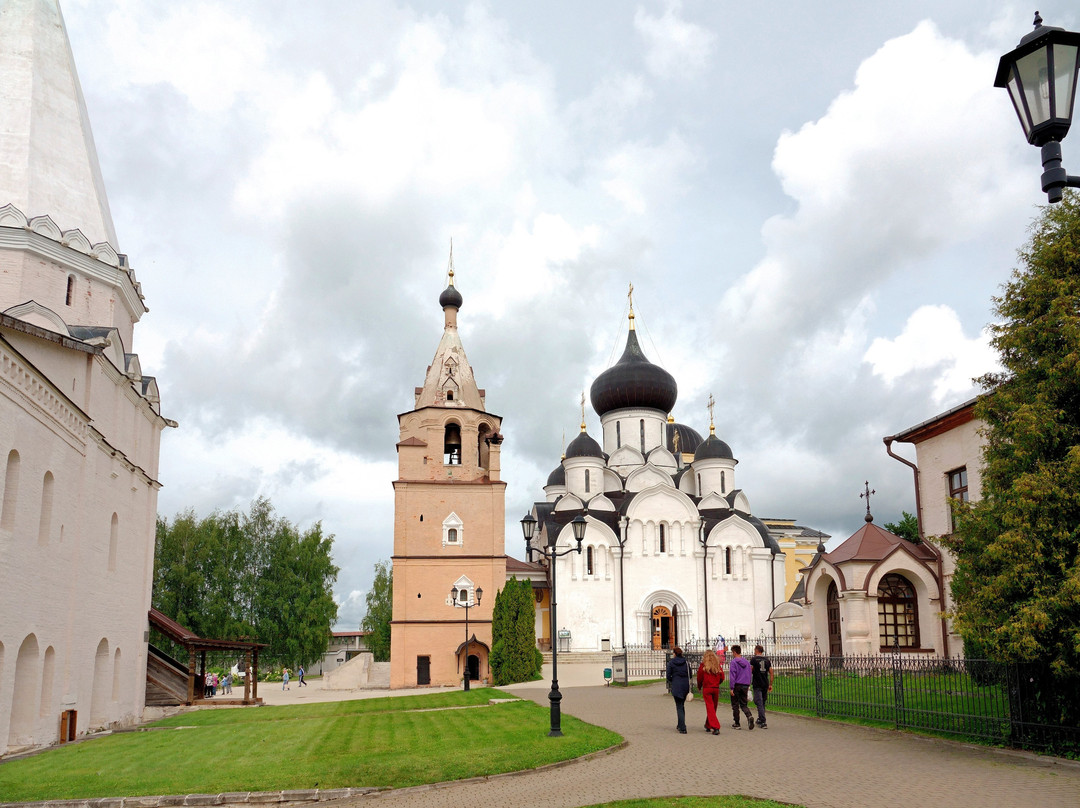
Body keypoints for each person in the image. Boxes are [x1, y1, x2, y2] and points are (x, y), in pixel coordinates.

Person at [696, 648, 725, 735]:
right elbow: (722, 677)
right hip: (715, 688)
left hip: (707, 688)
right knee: (713, 707)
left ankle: (715, 726)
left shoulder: (703, 666)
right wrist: (717, 683)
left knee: (710, 708)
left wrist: (699, 686)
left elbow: (699, 678)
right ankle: (708, 724)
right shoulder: (717, 666)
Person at [728, 644, 754, 730]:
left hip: (737, 685)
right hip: (745, 685)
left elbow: (732, 675)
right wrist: (748, 684)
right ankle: (749, 716)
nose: (732, 654)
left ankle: (737, 723)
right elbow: (749, 674)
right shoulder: (746, 662)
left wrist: (731, 688)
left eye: (732, 652)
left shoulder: (734, 662)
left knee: (735, 704)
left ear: (735, 652)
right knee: (743, 704)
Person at [666, 646, 691, 734]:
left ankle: (682, 727)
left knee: (679, 706)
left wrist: (673, 680)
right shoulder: (686, 662)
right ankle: (680, 724)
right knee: (681, 705)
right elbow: (690, 675)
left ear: (675, 654)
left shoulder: (671, 663)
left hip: (676, 686)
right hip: (685, 686)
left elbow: (668, 676)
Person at [751, 644, 774, 729]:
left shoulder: (754, 659)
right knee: (762, 702)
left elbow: (750, 670)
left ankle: (763, 721)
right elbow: (771, 673)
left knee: (758, 701)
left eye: (754, 650)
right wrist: (770, 684)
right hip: (765, 683)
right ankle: (760, 718)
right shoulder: (767, 660)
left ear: (757, 650)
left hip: (757, 683)